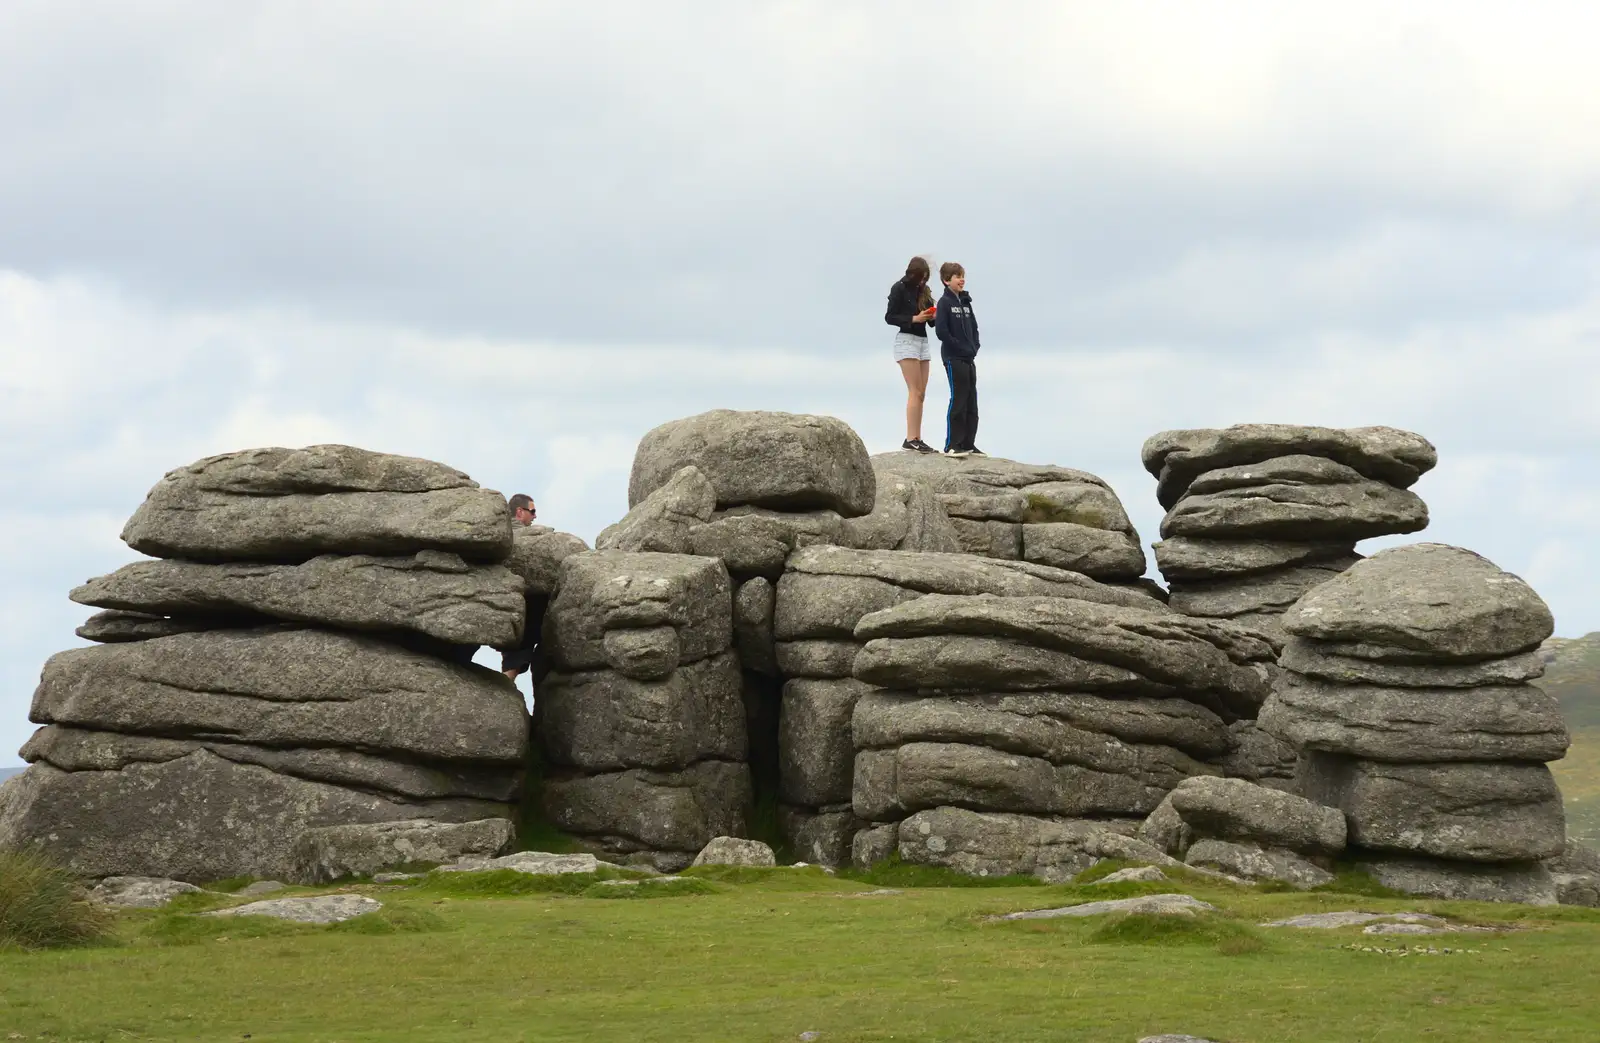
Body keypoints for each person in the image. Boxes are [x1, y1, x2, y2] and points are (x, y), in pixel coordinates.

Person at [884, 256, 940, 453]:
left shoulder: (923, 291)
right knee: (914, 390)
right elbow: (890, 317)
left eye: (926, 278)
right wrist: (914, 318)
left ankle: (917, 436)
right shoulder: (898, 288)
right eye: (921, 277)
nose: (923, 282)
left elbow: (932, 323)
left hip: (922, 341)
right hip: (906, 339)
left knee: (921, 393)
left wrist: (933, 315)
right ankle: (910, 438)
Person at [934, 261, 983, 458]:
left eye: (962, 275)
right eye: (957, 276)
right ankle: (952, 444)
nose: (961, 279)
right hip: (954, 357)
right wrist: (959, 346)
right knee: (959, 399)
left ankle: (968, 443)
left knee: (972, 400)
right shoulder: (944, 302)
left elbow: (974, 327)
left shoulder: (966, 302)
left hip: (969, 357)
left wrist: (974, 345)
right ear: (947, 280)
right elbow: (941, 331)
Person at [501, 493, 541, 681]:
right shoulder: (521, 535)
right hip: (517, 605)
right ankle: (507, 681)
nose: (534, 517)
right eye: (532, 512)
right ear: (519, 512)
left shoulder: (499, 533)